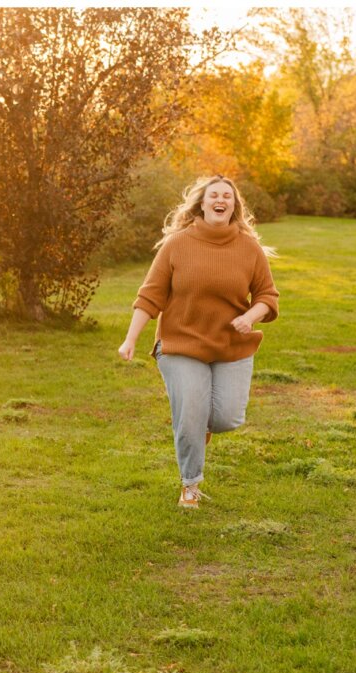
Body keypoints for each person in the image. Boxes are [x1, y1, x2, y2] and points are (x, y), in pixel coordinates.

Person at [118, 175, 279, 509]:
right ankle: (190, 485)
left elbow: (267, 296)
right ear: (201, 203)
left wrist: (250, 318)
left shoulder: (248, 248)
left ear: (234, 206)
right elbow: (150, 296)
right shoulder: (177, 244)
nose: (220, 200)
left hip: (229, 345)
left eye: (227, 196)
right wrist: (130, 338)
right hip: (181, 344)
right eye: (213, 195)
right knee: (191, 408)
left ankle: (197, 427)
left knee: (226, 418)